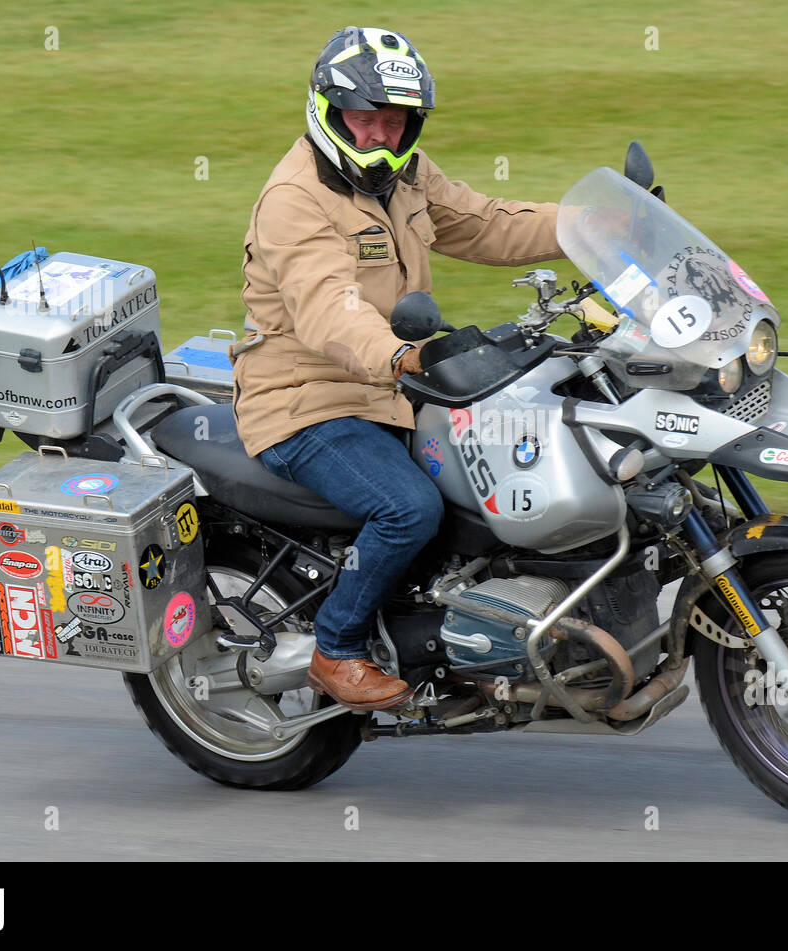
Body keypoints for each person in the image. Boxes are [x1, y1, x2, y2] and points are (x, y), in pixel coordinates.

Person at [231, 26, 563, 712]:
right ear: (329, 112)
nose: (381, 134)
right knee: (407, 508)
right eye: (365, 118)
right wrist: (399, 354)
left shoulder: (405, 174)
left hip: (390, 391)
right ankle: (337, 647)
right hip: (307, 400)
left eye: (395, 120)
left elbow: (487, 221)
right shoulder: (294, 199)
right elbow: (329, 311)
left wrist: (598, 227)